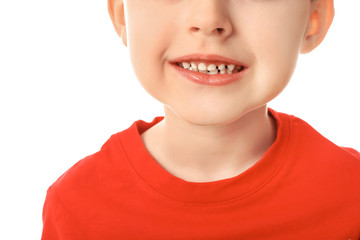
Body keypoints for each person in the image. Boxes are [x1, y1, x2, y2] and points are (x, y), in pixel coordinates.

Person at [41, 0, 360, 239]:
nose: (209, 20)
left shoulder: (351, 195)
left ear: (314, 18)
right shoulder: (74, 206)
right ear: (121, 14)